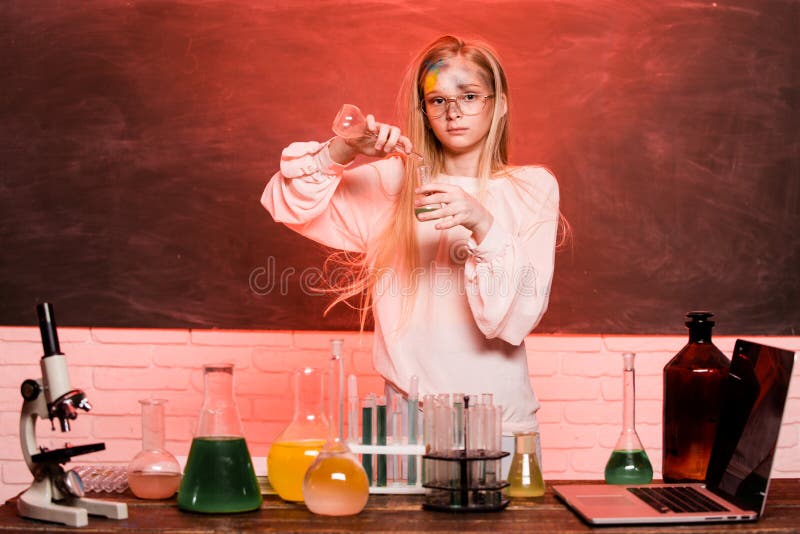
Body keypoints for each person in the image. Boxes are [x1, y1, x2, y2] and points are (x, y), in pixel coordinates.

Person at [262, 35, 562, 471]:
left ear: (499, 105)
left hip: (501, 429)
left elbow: (510, 321)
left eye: (470, 96)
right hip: (407, 429)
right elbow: (285, 203)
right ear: (424, 111)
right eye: (437, 99)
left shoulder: (531, 188)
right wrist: (343, 149)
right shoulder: (394, 183)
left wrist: (481, 223)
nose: (453, 111)